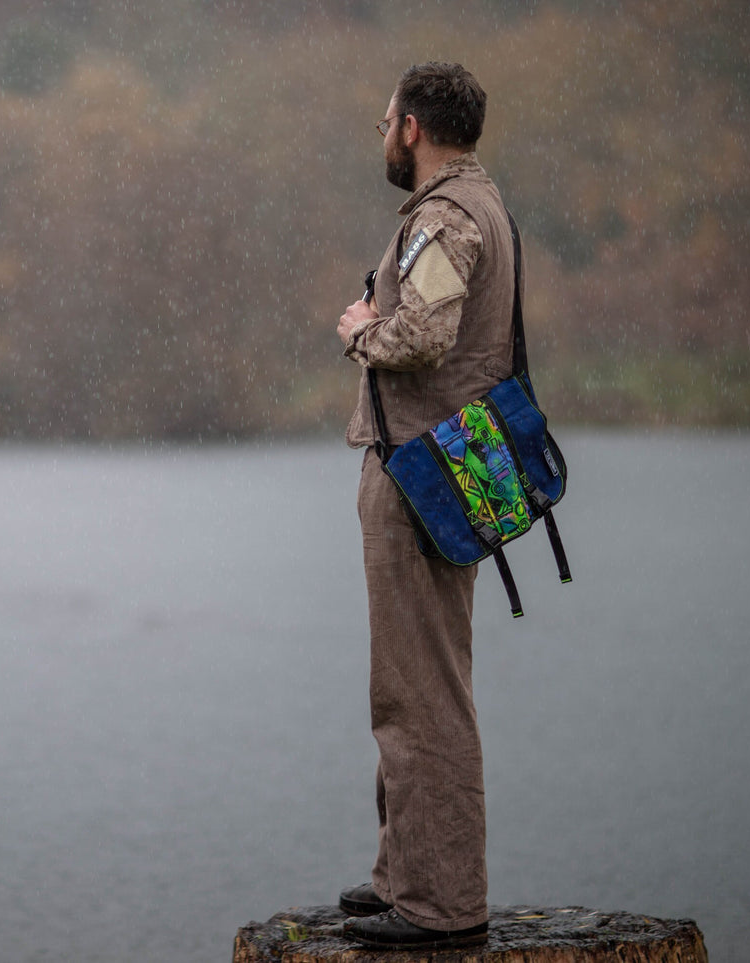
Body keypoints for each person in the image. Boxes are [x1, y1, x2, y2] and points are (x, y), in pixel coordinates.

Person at [332, 62, 516, 950]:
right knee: (410, 685)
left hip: (418, 476)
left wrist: (360, 330)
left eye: (384, 119)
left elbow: (424, 334)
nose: (381, 134)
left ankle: (440, 903)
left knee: (421, 694)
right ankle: (404, 876)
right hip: (444, 469)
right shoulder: (479, 204)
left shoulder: (443, 215)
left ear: (411, 126)